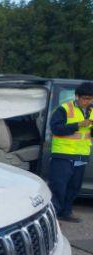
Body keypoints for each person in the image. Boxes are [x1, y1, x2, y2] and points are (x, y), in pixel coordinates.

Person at [48, 82, 93, 223]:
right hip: (63, 154)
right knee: (58, 186)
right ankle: (53, 216)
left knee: (74, 187)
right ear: (77, 96)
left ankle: (66, 212)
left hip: (81, 155)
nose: (88, 101)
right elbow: (55, 128)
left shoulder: (92, 110)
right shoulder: (65, 109)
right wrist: (78, 125)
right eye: (85, 98)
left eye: (91, 98)